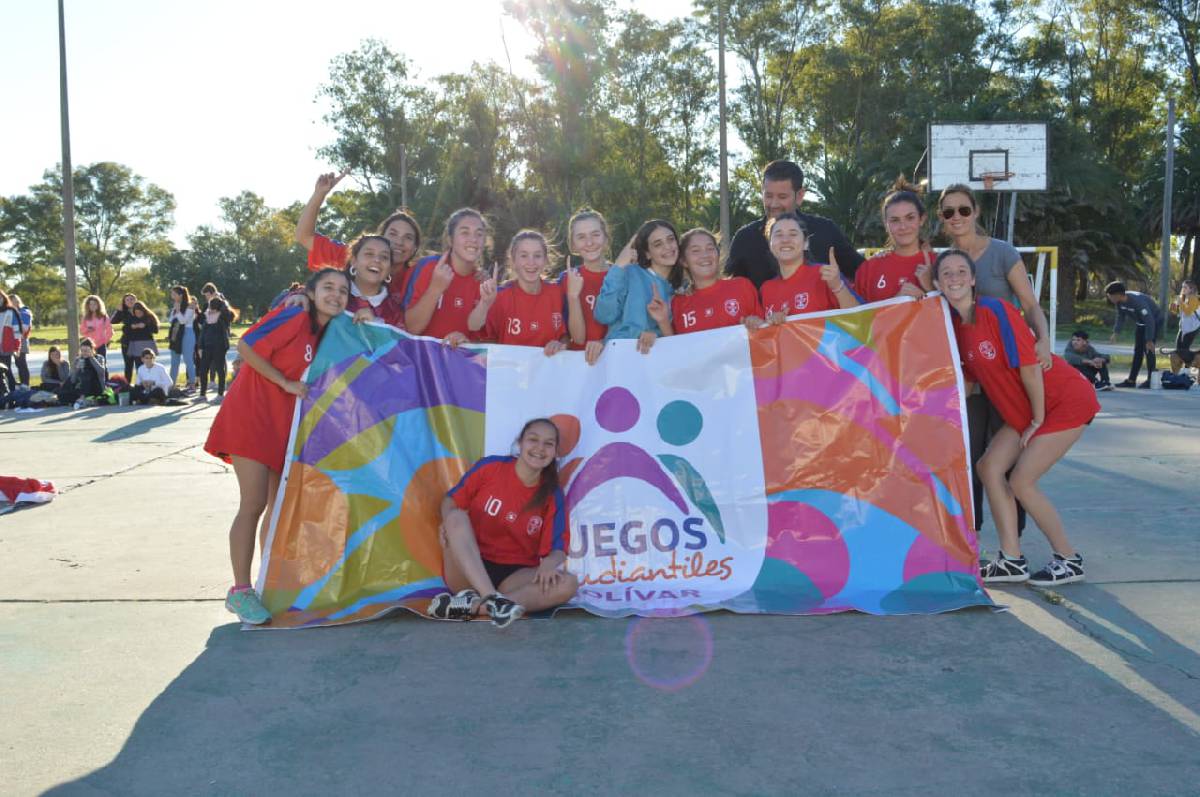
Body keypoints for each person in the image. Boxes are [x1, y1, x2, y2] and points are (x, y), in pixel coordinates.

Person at [934, 249, 1099, 586]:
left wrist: (1037, 419)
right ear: (937, 282)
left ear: (974, 278)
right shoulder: (953, 326)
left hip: (1063, 401)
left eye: (961, 271)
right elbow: (967, 384)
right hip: (1026, 411)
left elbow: (1030, 368)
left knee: (1021, 480)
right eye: (946, 273)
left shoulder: (995, 310)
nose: (954, 278)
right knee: (988, 467)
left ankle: (1069, 559)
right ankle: (1011, 559)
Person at [204, 268, 351, 624]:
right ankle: (239, 591)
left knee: (278, 507)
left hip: (282, 427)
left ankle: (268, 582)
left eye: (343, 291)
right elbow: (246, 346)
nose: (336, 295)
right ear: (312, 292)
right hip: (251, 417)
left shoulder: (324, 334)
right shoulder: (294, 314)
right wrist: (283, 382)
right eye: (328, 287)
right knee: (252, 503)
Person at [940, 184, 1051, 537]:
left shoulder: (1002, 253)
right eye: (948, 212)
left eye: (963, 210)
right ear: (942, 220)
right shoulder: (942, 264)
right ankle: (971, 537)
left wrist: (1044, 340)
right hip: (971, 377)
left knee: (1006, 461)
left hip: (1007, 374)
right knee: (969, 457)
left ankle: (1011, 541)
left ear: (975, 212)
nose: (956, 217)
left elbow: (1030, 304)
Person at [428, 418, 577, 628]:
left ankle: (473, 607)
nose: (539, 448)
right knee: (455, 516)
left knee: (568, 584)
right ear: (520, 442)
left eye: (548, 444)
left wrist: (549, 564)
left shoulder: (552, 494)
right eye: (533, 440)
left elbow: (558, 548)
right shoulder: (491, 467)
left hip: (513, 578)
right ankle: (491, 598)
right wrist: (448, 522)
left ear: (555, 452)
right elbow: (449, 501)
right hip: (469, 568)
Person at [725, 159, 864, 289]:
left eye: (782, 197)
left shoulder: (826, 231)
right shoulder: (744, 238)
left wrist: (883, 260)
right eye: (768, 196)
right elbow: (730, 293)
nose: (774, 204)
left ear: (800, 196)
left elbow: (864, 274)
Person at [295, 171, 422, 297]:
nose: (399, 242)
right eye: (393, 234)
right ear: (381, 237)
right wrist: (320, 194)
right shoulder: (352, 257)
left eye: (408, 238)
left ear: (415, 248)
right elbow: (304, 236)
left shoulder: (419, 277)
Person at [462, 230, 568, 354]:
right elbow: (473, 328)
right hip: (509, 371)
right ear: (513, 261)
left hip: (546, 371)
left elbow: (565, 336)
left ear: (546, 260)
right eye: (524, 255)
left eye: (537, 255)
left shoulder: (557, 292)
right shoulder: (500, 296)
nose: (531, 262)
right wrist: (485, 303)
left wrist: (561, 344)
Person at [592, 219, 680, 356]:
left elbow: (676, 338)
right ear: (647, 253)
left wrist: (656, 335)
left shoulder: (681, 287)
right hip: (620, 357)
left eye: (671, 240)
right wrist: (619, 266)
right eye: (658, 244)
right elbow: (604, 316)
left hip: (655, 364)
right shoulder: (630, 273)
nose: (668, 247)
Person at [403, 208, 489, 339]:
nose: (473, 239)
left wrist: (465, 342)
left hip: (459, 359)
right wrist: (435, 289)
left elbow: (485, 342)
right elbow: (410, 329)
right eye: (465, 232)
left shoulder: (482, 282)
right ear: (450, 240)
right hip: (421, 357)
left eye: (479, 234)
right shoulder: (429, 267)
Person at [759, 212, 858, 320]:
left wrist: (838, 287)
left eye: (793, 234)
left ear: (806, 243)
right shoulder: (766, 289)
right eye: (778, 234)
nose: (785, 240)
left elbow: (861, 318)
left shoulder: (826, 274)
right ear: (770, 245)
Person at [670, 227, 764, 333]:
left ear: (717, 254)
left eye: (710, 248)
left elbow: (766, 331)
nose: (705, 255)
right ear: (684, 261)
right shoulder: (677, 303)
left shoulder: (742, 286)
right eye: (695, 251)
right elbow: (674, 345)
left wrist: (757, 323)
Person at [854, 179, 934, 303]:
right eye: (895, 220)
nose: (903, 226)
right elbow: (856, 320)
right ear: (886, 225)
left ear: (921, 219)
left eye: (910, 218)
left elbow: (956, 316)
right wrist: (895, 303)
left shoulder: (940, 265)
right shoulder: (869, 269)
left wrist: (930, 290)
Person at [564, 209, 613, 365]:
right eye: (581, 237)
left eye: (595, 234)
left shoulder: (624, 276)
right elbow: (578, 339)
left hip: (616, 365)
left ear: (606, 238)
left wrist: (604, 342)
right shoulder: (566, 279)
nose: (590, 243)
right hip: (580, 367)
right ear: (573, 244)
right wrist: (573, 296)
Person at [1105, 281, 1164, 387]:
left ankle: (1151, 380)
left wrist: (1149, 339)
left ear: (1117, 295)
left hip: (1154, 321)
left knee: (1149, 350)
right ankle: (1131, 381)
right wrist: (1116, 332)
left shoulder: (1137, 302)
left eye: (1110, 296)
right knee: (1138, 350)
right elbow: (1120, 317)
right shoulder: (1119, 303)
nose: (1109, 298)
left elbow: (1150, 320)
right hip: (1141, 323)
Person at [343, 235, 405, 327]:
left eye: (384, 257)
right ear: (354, 261)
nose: (377, 260)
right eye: (369, 254)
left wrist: (376, 326)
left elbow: (398, 340)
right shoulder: (334, 291)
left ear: (390, 269)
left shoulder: (395, 312)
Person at [196, 297, 237, 399]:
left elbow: (228, 314)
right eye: (210, 306)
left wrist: (223, 304)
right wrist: (200, 347)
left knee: (220, 370)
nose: (210, 309)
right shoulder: (207, 317)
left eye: (212, 306)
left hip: (219, 347)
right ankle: (202, 394)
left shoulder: (223, 317)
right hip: (206, 347)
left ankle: (220, 394)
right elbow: (202, 333)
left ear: (218, 307)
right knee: (203, 370)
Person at [59, 337, 108, 407]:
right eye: (82, 350)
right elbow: (72, 380)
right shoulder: (78, 359)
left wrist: (92, 358)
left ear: (92, 350)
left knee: (86, 373)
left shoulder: (99, 358)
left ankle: (82, 398)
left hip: (96, 387)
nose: (84, 353)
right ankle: (82, 399)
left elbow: (102, 373)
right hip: (81, 387)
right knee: (64, 391)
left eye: (86, 350)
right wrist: (76, 369)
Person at [166, 286, 198, 389]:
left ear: (180, 295)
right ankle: (172, 384)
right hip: (176, 334)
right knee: (174, 361)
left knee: (188, 359)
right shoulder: (175, 306)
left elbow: (183, 321)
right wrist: (176, 310)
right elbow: (171, 320)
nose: (172, 296)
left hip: (187, 333)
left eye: (174, 294)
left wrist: (178, 311)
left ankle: (192, 383)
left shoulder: (191, 306)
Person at [1165, 278, 1198, 374]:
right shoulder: (1183, 298)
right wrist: (1172, 306)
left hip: (1192, 328)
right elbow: (1177, 312)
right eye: (1183, 287)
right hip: (1183, 328)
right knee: (1179, 349)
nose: (1183, 289)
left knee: (1184, 350)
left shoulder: (1194, 299)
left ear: (1191, 289)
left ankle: (1188, 368)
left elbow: (1188, 312)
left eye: (1185, 287)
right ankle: (1177, 370)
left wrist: (1180, 303)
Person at [125, 302, 159, 383]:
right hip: (135, 344)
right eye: (136, 313)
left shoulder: (149, 317)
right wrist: (131, 327)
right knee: (139, 365)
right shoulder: (131, 318)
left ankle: (151, 382)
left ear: (143, 311)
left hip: (148, 343)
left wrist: (146, 325)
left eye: (140, 312)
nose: (138, 314)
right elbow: (125, 329)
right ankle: (140, 383)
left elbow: (156, 330)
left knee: (149, 364)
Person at [110, 293, 140, 382]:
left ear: (136, 300)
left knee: (140, 365)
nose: (130, 301)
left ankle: (140, 386)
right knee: (128, 365)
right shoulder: (123, 312)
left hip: (140, 341)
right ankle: (127, 386)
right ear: (124, 302)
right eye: (127, 300)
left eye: (132, 299)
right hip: (127, 342)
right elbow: (113, 321)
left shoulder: (141, 311)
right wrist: (118, 311)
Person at [0, 289, 23, 379]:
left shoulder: (11, 311)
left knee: (6, 370)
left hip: (5, 347)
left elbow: (17, 332)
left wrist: (17, 347)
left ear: (3, 297)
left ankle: (11, 391)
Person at [10, 294, 31, 385]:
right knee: (6, 364)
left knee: (21, 364)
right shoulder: (9, 312)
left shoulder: (24, 312)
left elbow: (23, 328)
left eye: (16, 301)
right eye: (12, 301)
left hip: (21, 341)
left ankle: (25, 385)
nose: (15, 303)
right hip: (9, 341)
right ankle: (13, 383)